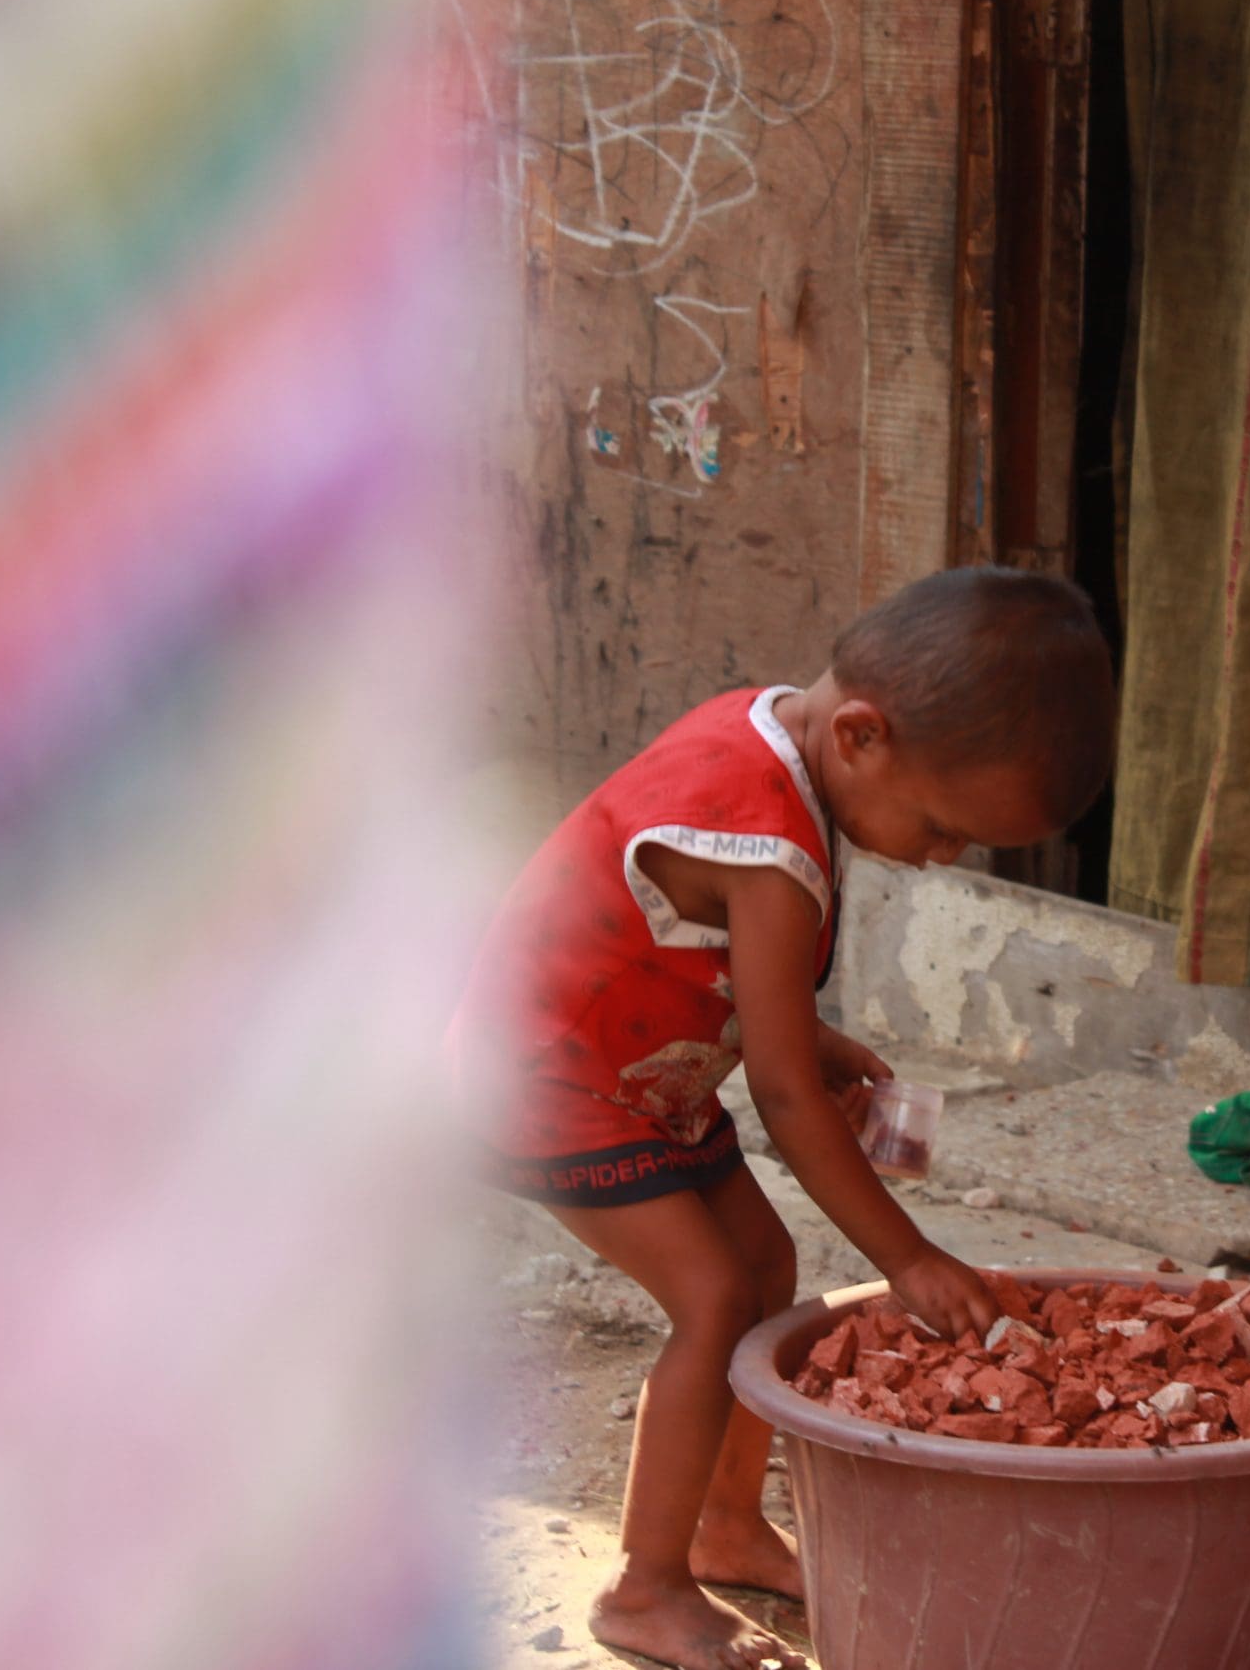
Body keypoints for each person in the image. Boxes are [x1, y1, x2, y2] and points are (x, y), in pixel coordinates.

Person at [451, 567, 1116, 1668]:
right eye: (944, 829)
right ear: (863, 735)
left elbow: (725, 988)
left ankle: (723, 1526)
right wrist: (909, 1257)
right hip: (552, 1080)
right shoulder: (772, 853)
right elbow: (783, 1101)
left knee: (765, 1272)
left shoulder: (768, 727)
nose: (940, 859)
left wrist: (806, 1038)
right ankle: (643, 1589)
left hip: (639, 1067)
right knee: (713, 1299)